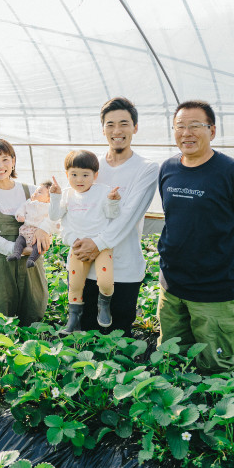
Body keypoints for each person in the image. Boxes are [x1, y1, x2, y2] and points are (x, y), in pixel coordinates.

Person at [157, 100, 234, 373]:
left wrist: (221, 259)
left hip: (216, 291)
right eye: (180, 126)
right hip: (172, 288)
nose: (186, 133)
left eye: (195, 126)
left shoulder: (231, 172)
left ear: (212, 131)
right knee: (171, 358)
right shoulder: (168, 168)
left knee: (215, 366)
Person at [70, 97, 159, 337]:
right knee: (86, 337)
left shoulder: (147, 168)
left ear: (135, 128)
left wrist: (97, 243)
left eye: (124, 124)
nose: (117, 131)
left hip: (124, 270)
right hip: (86, 266)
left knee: (118, 341)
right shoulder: (91, 166)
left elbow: (129, 216)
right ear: (103, 129)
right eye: (110, 124)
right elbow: (74, 204)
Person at [0, 139, 49, 326]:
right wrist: (17, 250)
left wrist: (45, 230)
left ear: (13, 161)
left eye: (5, 159)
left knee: (33, 314)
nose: (0, 166)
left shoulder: (30, 190)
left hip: (31, 266)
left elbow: (54, 213)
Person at [49, 150, 121, 333]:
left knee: (105, 282)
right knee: (75, 285)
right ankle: (73, 319)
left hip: (101, 245)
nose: (79, 179)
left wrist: (113, 201)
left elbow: (113, 215)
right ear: (67, 175)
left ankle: (103, 305)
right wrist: (55, 196)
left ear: (95, 175)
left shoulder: (103, 191)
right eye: (73, 174)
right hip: (77, 246)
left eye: (85, 175)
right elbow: (54, 216)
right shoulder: (66, 194)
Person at [7, 181, 56, 269]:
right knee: (20, 241)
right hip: (26, 231)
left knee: (39, 246)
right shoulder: (28, 202)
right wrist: (20, 215)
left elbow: (53, 219)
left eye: (39, 192)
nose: (35, 193)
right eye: (36, 191)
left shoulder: (49, 207)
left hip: (39, 235)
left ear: (49, 199)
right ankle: (16, 254)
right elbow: (21, 209)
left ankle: (31, 259)